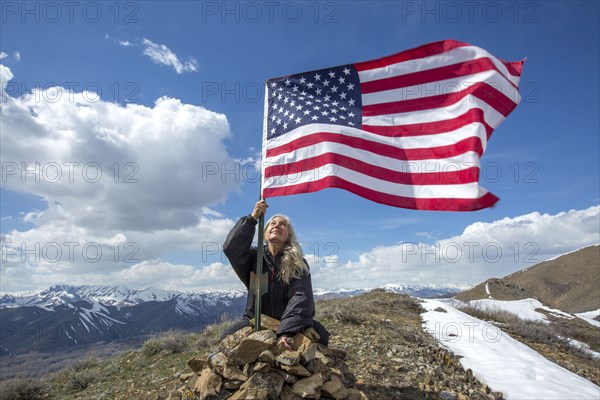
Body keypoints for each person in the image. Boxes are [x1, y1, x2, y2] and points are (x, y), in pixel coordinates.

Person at [222, 199, 330, 349]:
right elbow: (231, 248)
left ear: (288, 235)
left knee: (322, 337)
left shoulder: (297, 262)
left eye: (283, 224)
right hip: (255, 320)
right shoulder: (253, 259)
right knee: (225, 338)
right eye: (272, 223)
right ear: (264, 233)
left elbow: (300, 296)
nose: (277, 225)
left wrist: (286, 331)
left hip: (291, 322)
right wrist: (252, 218)